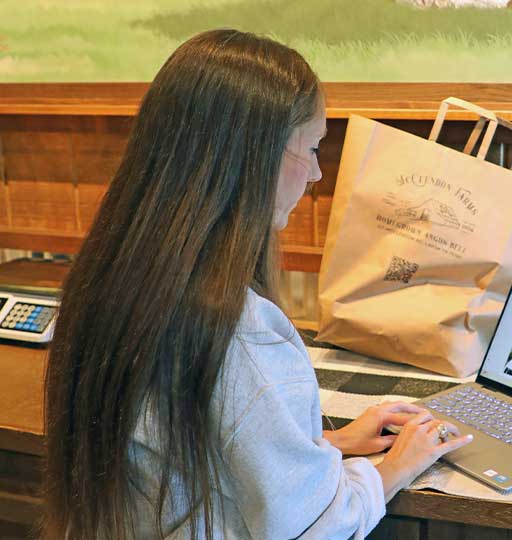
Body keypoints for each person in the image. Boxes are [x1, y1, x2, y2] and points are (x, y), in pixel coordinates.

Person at [43, 29, 472, 540]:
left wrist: (324, 442)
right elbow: (316, 527)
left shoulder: (110, 281)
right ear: (254, 156)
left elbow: (191, 454)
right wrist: (397, 467)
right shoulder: (237, 332)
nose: (315, 173)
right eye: (311, 148)